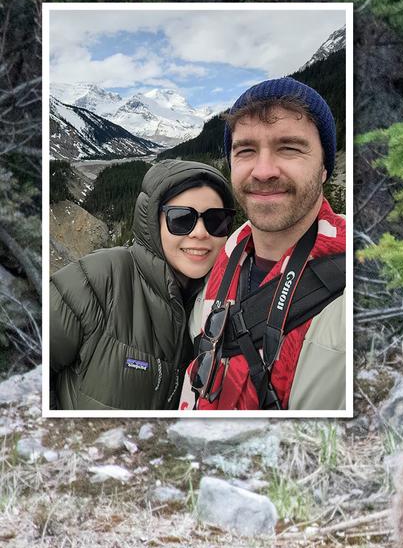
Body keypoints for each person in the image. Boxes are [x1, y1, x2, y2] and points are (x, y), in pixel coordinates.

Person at [180, 77, 346, 411]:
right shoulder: (218, 262)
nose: (264, 170)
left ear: (325, 167)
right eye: (246, 151)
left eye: (289, 148)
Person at [49, 160, 236, 410]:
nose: (201, 233)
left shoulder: (225, 301)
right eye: (181, 218)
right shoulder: (94, 281)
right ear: (152, 221)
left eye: (216, 221)